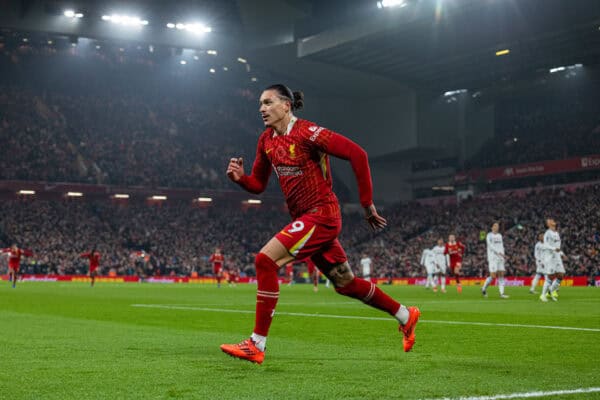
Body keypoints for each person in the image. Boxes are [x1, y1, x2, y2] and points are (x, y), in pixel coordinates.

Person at [220, 84, 420, 364]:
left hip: (322, 214)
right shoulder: (266, 140)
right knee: (345, 283)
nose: (261, 109)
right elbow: (258, 185)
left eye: (267, 103)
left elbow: (358, 154)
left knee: (265, 261)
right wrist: (241, 178)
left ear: (286, 105)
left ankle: (256, 344)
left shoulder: (308, 133)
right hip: (306, 219)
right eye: (260, 104)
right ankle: (405, 315)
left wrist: (367, 204)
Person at [481, 222, 509, 299]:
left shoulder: (500, 235)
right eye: (495, 226)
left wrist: (503, 255)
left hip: (500, 258)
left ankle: (502, 293)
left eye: (498, 226)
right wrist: (499, 253)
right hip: (493, 258)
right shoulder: (489, 235)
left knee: (501, 275)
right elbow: (490, 246)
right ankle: (483, 288)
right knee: (493, 276)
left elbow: (501, 246)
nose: (497, 227)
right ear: (492, 227)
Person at [540, 219, 565, 302]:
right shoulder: (547, 233)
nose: (552, 220)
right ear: (548, 224)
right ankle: (543, 295)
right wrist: (554, 248)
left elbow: (558, 246)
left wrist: (561, 253)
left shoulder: (557, 233)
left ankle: (550, 292)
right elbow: (545, 244)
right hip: (550, 257)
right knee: (550, 277)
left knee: (561, 275)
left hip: (557, 256)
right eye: (549, 220)